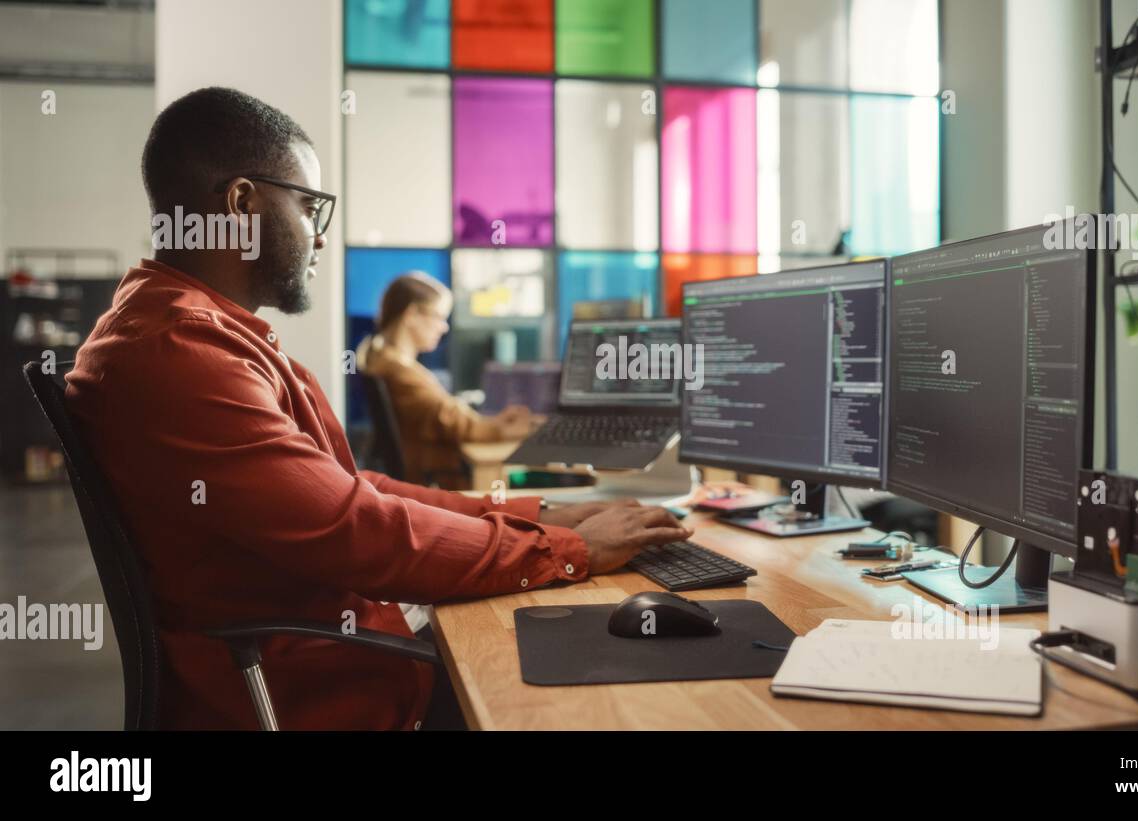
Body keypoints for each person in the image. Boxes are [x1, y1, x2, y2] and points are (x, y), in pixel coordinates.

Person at [64, 87, 689, 730]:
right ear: (242, 203)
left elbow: (353, 490)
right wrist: (565, 551)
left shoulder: (193, 332)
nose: (320, 238)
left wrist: (546, 512)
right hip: (324, 689)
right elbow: (356, 530)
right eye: (310, 208)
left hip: (330, 655)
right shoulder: (180, 353)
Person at [358, 272, 536, 487]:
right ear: (412, 314)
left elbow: (445, 413)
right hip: (436, 484)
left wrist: (494, 422)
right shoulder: (397, 370)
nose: (444, 327)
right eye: (439, 317)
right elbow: (450, 420)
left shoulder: (385, 358)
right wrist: (504, 430)